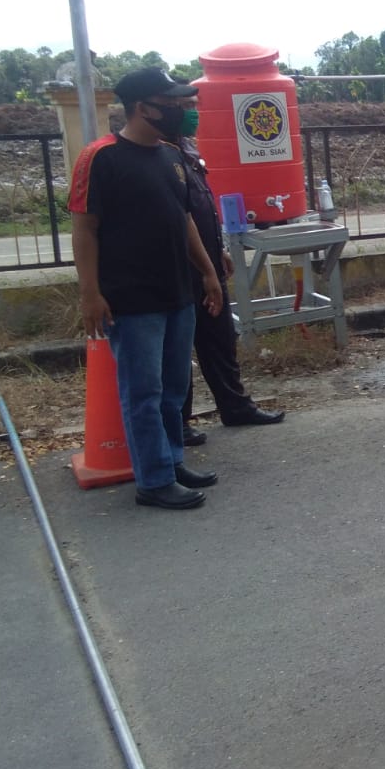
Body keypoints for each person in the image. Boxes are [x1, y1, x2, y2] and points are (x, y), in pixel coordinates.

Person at [69, 68, 223, 511]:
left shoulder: (170, 156)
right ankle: (153, 481)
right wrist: (90, 293)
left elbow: (184, 219)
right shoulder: (101, 157)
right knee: (143, 393)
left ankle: (171, 461)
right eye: (172, 104)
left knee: (174, 388)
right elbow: (84, 228)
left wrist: (208, 272)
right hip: (132, 298)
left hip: (177, 290)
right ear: (144, 108)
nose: (181, 111)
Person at [167, 90, 285, 445]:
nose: (193, 113)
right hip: (179, 265)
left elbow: (202, 203)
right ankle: (179, 422)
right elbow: (180, 216)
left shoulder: (187, 149)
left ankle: (235, 407)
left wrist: (217, 249)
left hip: (207, 258)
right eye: (185, 107)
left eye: (194, 106)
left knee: (218, 337)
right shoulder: (159, 155)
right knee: (178, 348)